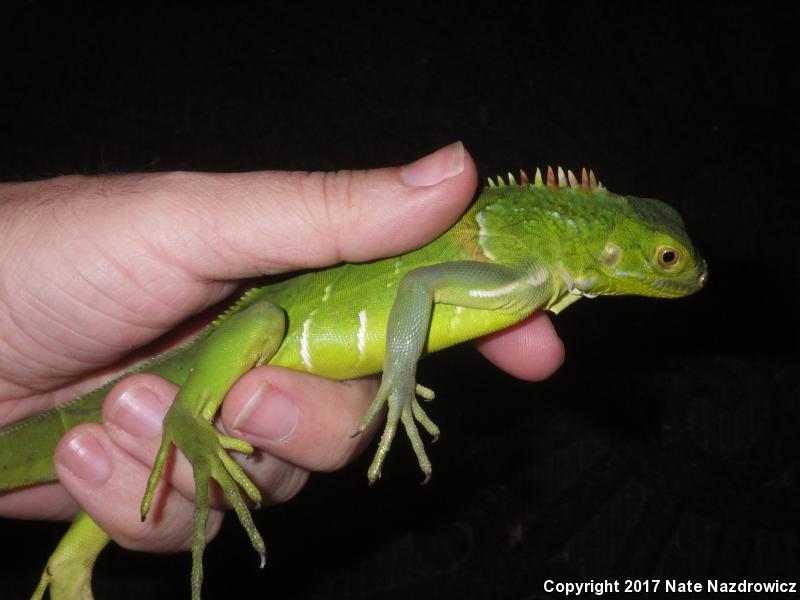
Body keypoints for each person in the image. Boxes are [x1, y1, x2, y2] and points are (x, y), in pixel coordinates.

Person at [0, 142, 564, 554]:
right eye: (660, 262)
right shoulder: (526, 270)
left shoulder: (528, 271)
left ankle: (73, 557)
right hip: (255, 337)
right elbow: (419, 285)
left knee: (139, 454)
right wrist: (399, 375)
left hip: (225, 365)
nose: (660, 279)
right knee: (225, 378)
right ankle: (183, 419)